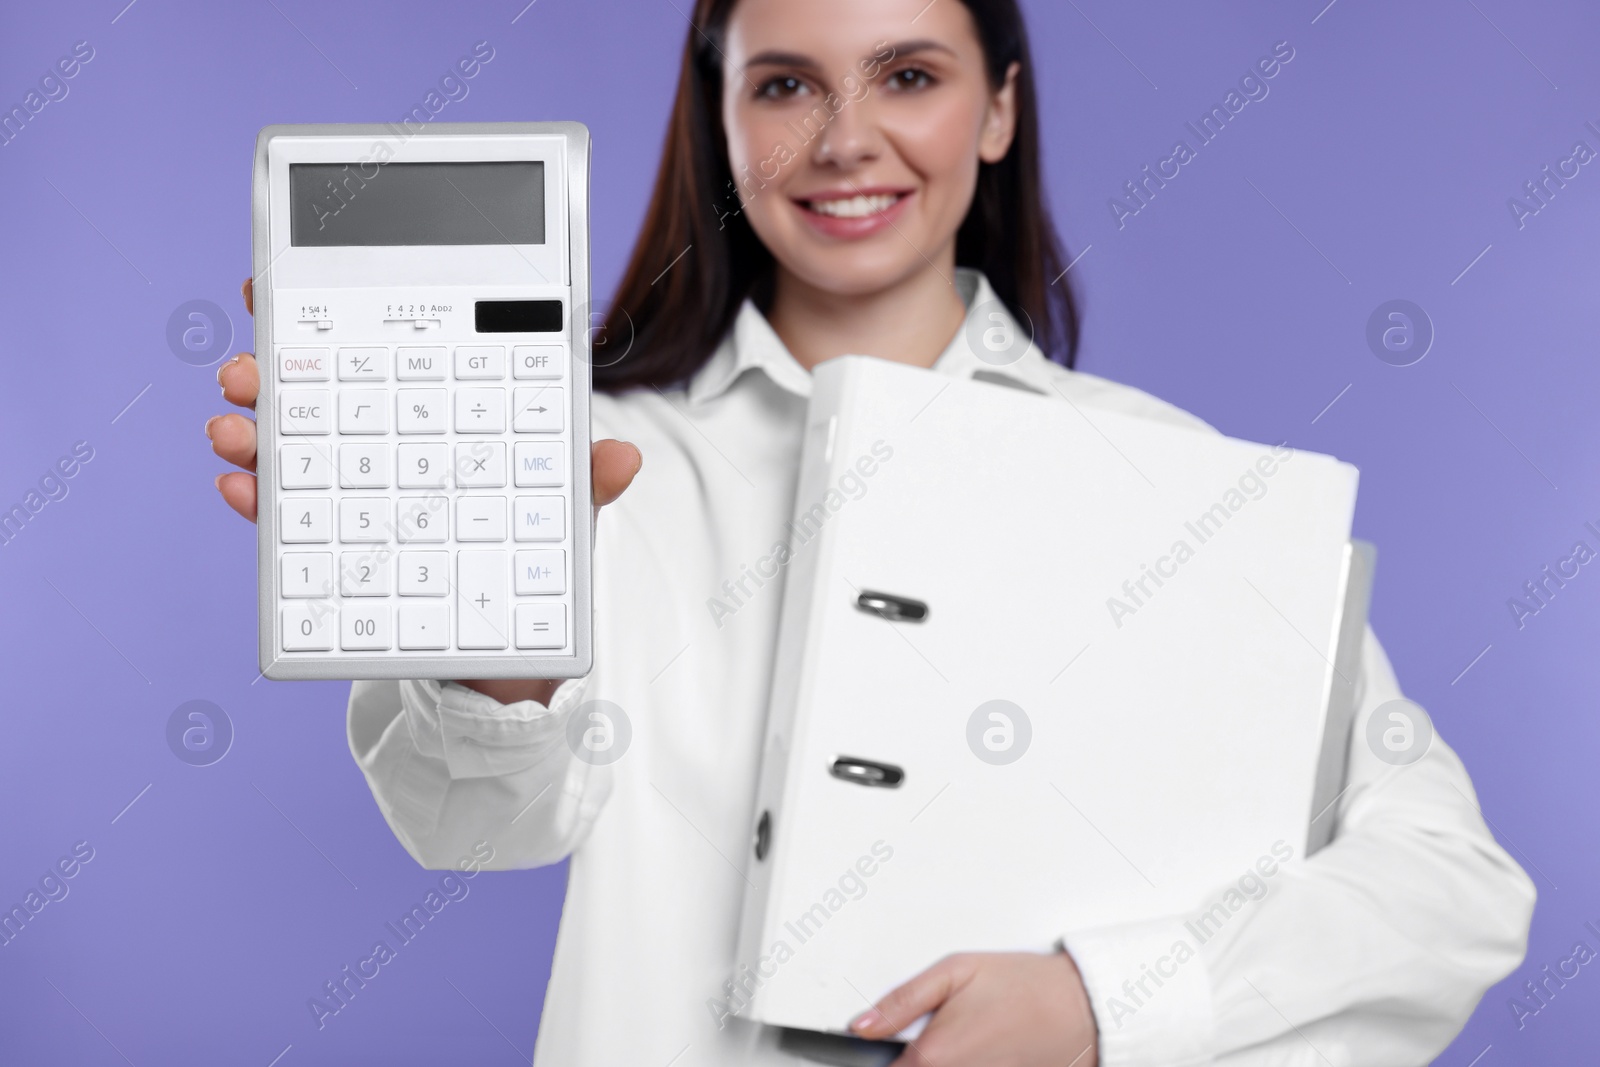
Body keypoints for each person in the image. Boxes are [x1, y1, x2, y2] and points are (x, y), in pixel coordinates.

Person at [206, 0, 1535, 1063]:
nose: (846, 138)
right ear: (718, 122)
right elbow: (477, 827)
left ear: (999, 108)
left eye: (908, 75)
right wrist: (487, 637)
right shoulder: (586, 459)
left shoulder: (1172, 482)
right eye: (785, 84)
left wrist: (1099, 1009)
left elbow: (1450, 888)